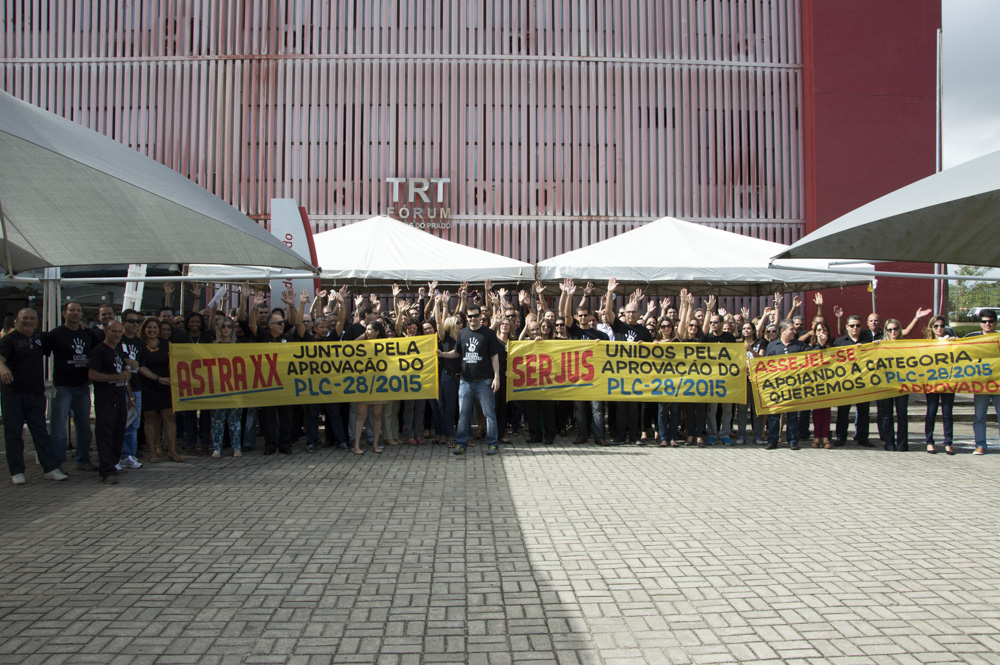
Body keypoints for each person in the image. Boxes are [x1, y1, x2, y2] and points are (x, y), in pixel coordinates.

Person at [1, 308, 68, 485]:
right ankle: (17, 471)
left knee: (40, 433)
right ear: (17, 320)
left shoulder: (40, 338)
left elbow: (62, 335)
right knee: (13, 434)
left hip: (36, 394)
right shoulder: (9, 340)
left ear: (37, 322)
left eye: (32, 318)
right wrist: (3, 367)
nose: (28, 321)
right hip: (13, 395)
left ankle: (50, 468)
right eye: (25, 318)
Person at [440, 304, 502, 456]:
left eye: (475, 315)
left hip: (485, 381)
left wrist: (496, 377)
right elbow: (456, 353)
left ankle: (493, 443)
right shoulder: (463, 333)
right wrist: (442, 354)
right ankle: (461, 443)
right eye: (470, 316)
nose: (473, 318)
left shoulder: (489, 334)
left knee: (489, 414)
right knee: (463, 415)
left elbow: (494, 356)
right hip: (465, 382)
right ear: (467, 318)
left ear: (481, 316)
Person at [43, 301, 96, 471]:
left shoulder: (87, 334)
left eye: (78, 311)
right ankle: (56, 464)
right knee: (59, 430)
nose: (75, 313)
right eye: (71, 310)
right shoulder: (55, 335)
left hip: (82, 386)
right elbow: (41, 354)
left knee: (85, 429)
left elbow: (98, 352)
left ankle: (83, 460)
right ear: (64, 313)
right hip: (63, 387)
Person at [604, 278, 653, 445]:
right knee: (620, 407)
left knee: (634, 408)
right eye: (628, 312)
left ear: (639, 314)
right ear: (624, 314)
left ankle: (633, 435)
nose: (631, 315)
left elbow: (653, 353)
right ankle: (619, 436)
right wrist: (610, 292)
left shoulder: (644, 331)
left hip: (636, 374)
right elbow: (608, 312)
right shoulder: (619, 326)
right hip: (620, 373)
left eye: (634, 312)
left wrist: (645, 347)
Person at [88, 320, 133, 484]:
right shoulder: (99, 351)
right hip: (105, 400)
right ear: (106, 332)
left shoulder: (119, 351)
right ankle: (106, 471)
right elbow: (92, 375)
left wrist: (131, 397)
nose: (117, 334)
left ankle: (113, 465)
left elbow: (124, 376)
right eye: (113, 331)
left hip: (120, 398)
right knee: (105, 435)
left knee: (118, 434)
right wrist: (115, 377)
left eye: (120, 332)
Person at [136, 317, 182, 462]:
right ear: (144, 329)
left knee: (168, 417)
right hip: (148, 384)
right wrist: (156, 378)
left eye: (155, 328)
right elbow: (140, 366)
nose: (152, 330)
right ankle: (154, 451)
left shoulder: (165, 344)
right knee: (150, 418)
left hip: (166, 384)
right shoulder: (140, 345)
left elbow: (174, 362)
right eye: (149, 327)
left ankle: (172, 450)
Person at [764, 320, 810, 450]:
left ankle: (792, 440)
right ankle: (772, 440)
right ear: (783, 331)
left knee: (793, 415)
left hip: (793, 386)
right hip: (776, 386)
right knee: (774, 415)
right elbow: (765, 365)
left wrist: (822, 345)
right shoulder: (772, 346)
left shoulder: (800, 346)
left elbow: (814, 356)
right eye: (791, 329)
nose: (794, 331)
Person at [832, 315, 873, 447]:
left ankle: (862, 437)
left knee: (864, 412)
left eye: (858, 325)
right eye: (852, 326)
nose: (855, 328)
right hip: (845, 383)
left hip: (863, 382)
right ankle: (841, 437)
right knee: (843, 412)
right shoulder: (839, 342)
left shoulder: (868, 341)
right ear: (847, 327)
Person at [209, 316, 244, 458]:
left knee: (235, 421)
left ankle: (236, 447)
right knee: (217, 420)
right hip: (217, 388)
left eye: (229, 326)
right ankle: (217, 448)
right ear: (219, 328)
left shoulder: (239, 345)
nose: (226, 328)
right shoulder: (212, 346)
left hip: (235, 388)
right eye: (223, 326)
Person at [965, 309, 997, 456]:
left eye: (990, 321)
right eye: (984, 321)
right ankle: (980, 445)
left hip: (998, 384)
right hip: (981, 384)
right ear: (980, 324)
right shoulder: (973, 340)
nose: (987, 324)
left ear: (995, 323)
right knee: (979, 416)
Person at [353, 320, 387, 455]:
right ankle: (356, 445)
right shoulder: (362, 343)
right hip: (364, 382)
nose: (366, 332)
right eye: (366, 329)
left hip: (379, 382)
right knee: (361, 414)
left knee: (377, 415)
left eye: (369, 329)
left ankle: (375, 444)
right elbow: (351, 346)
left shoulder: (385, 344)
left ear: (377, 332)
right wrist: (363, 336)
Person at [876, 318, 910, 452]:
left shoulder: (905, 345)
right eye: (890, 329)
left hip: (902, 384)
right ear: (886, 331)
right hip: (886, 384)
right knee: (887, 414)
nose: (893, 332)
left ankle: (902, 443)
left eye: (895, 329)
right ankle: (889, 443)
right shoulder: (880, 344)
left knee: (902, 414)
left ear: (900, 329)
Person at [117, 309, 145, 470]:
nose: (135, 324)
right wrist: (126, 359)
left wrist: (158, 378)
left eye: (137, 322)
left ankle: (129, 455)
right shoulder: (117, 340)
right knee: (121, 424)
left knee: (133, 424)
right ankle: (120, 455)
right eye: (131, 321)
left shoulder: (139, 343)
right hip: (119, 388)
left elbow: (141, 366)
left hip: (136, 387)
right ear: (123, 323)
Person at [924, 315, 956, 455]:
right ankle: (930, 441)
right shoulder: (926, 344)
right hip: (932, 382)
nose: (939, 329)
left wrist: (956, 343)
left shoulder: (951, 341)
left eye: (942, 326)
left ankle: (948, 442)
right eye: (936, 326)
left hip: (948, 381)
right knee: (931, 412)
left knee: (947, 413)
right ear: (931, 327)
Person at [809, 321, 834, 449]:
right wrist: (820, 345)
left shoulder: (833, 346)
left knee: (827, 411)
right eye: (819, 330)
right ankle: (817, 436)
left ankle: (825, 436)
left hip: (829, 382)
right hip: (816, 383)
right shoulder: (811, 346)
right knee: (817, 411)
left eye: (824, 330)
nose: (821, 332)